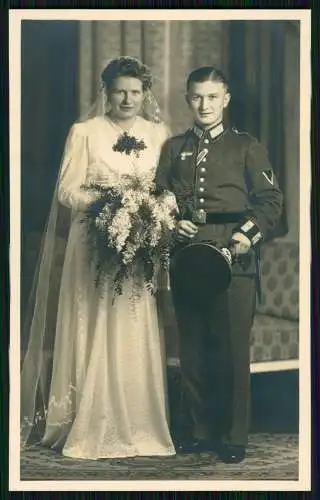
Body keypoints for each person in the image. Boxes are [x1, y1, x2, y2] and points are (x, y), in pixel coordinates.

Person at [20, 56, 176, 460]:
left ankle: (139, 424)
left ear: (145, 94)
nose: (128, 98)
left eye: (136, 91)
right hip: (93, 244)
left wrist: (148, 210)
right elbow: (67, 192)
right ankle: (87, 421)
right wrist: (111, 204)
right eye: (120, 90)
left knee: (132, 325)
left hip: (138, 246)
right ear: (106, 92)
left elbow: (168, 190)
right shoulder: (84, 132)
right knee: (94, 322)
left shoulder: (159, 133)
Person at [155, 66, 283, 463]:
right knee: (192, 349)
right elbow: (157, 198)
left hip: (234, 255)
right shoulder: (173, 148)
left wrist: (246, 236)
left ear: (226, 99)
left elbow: (271, 201)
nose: (204, 104)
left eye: (212, 97)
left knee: (230, 350)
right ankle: (199, 430)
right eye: (197, 97)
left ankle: (233, 435)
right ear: (187, 99)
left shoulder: (247, 146)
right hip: (188, 255)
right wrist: (173, 223)